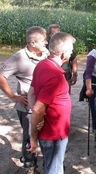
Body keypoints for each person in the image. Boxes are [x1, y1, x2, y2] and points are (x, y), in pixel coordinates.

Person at [0, 26, 49, 173]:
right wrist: (13, 96)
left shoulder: (45, 53)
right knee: (30, 137)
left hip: (45, 104)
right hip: (28, 107)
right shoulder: (19, 57)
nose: (46, 42)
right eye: (43, 40)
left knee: (45, 135)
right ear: (32, 43)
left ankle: (47, 164)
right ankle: (30, 166)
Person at [28, 32, 76, 174]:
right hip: (54, 134)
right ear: (63, 54)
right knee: (55, 169)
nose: (72, 53)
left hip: (51, 131)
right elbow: (37, 109)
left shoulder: (43, 64)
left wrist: (40, 116)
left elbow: (31, 94)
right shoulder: (54, 75)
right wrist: (33, 138)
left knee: (51, 165)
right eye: (71, 50)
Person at [47, 24, 78, 93]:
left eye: (58, 33)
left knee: (66, 96)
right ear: (49, 34)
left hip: (66, 77)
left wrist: (75, 74)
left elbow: (74, 58)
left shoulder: (65, 45)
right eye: (54, 33)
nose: (57, 36)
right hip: (51, 78)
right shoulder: (46, 46)